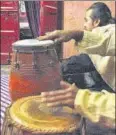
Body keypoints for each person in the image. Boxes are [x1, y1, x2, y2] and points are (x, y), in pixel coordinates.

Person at [38, 2, 115, 129]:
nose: (84, 25)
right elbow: (107, 41)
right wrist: (77, 34)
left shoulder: (109, 30)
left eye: (86, 20)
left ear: (96, 22)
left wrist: (83, 100)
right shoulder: (108, 33)